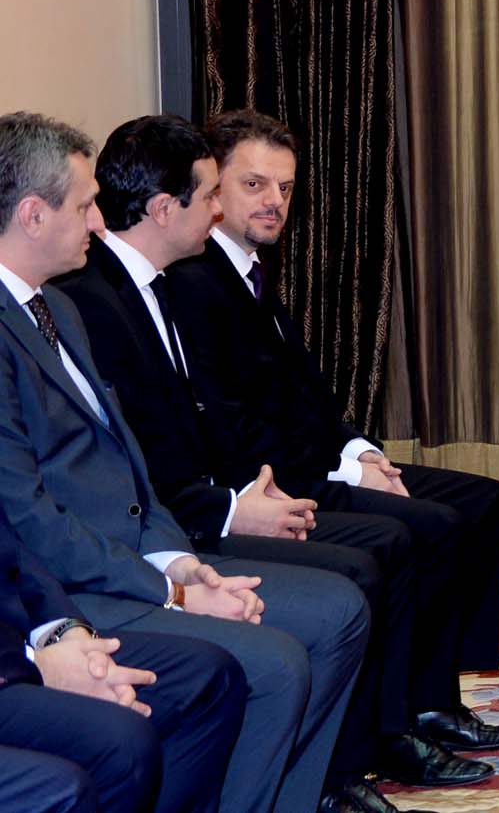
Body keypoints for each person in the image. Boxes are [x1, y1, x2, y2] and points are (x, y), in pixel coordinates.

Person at [57, 115, 499, 801]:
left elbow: (292, 397)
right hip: (201, 511)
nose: (228, 208)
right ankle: (359, 754)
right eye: (223, 191)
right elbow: (147, 457)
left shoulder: (161, 281)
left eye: (284, 187)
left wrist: (353, 451)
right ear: (165, 208)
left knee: (463, 513)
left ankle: (401, 721)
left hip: (223, 495)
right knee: (375, 557)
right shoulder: (113, 297)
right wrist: (235, 507)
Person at [0, 111, 370, 813]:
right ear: (32, 215)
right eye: (84, 207)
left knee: (336, 613)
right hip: (74, 585)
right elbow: (25, 515)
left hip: (135, 555)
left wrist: (180, 562)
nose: (100, 222)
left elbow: (131, 469)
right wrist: (165, 587)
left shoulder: (56, 310)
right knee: (272, 663)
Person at [0, 506, 244, 813]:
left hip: (20, 630)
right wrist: (38, 666)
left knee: (209, 675)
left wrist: (68, 631)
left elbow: (12, 550)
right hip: (10, 660)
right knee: (120, 747)